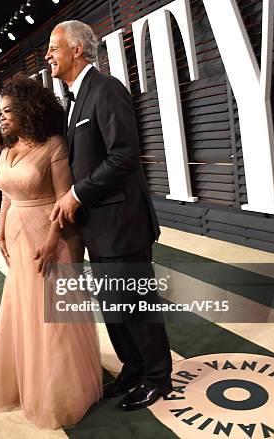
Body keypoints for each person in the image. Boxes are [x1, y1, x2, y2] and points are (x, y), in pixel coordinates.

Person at [46, 20, 172, 411]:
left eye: (54, 47)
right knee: (115, 307)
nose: (48, 55)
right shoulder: (74, 98)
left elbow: (123, 157)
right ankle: (133, 368)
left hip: (121, 223)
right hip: (97, 227)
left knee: (135, 304)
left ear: (77, 50)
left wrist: (76, 195)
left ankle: (156, 377)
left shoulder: (106, 89)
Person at [0, 75, 102, 428]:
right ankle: (30, 376)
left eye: (6, 111)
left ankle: (61, 391)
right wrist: (0, 230)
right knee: (25, 307)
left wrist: (52, 239)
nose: (1, 118)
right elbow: (4, 195)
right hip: (16, 232)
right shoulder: (6, 148)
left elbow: (66, 199)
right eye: (0, 112)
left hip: (51, 234)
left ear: (26, 109)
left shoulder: (54, 146)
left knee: (54, 315)